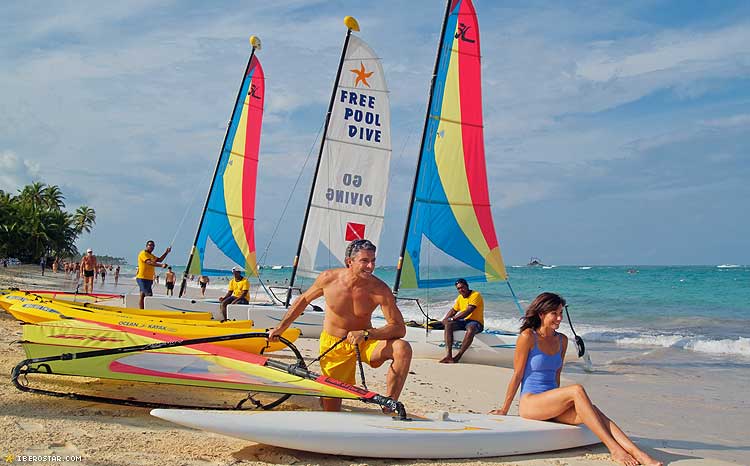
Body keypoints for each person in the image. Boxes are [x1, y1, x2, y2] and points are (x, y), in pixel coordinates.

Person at [491, 292, 661, 466]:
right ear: (541, 314)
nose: (559, 318)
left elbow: (556, 375)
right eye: (554, 314)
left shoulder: (562, 340)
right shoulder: (528, 337)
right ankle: (614, 449)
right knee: (576, 389)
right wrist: (504, 409)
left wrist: (559, 404)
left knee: (594, 411)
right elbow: (517, 374)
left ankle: (639, 454)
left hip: (551, 403)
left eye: (561, 313)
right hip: (531, 403)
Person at [268, 239, 412, 412]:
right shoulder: (329, 279)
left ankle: (389, 405)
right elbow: (304, 299)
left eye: (373, 261)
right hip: (334, 345)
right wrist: (281, 328)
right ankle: (324, 399)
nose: (371, 266)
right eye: (365, 261)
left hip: (364, 342)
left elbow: (399, 328)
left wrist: (366, 334)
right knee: (331, 408)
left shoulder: (380, 289)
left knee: (402, 348)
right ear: (349, 262)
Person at [439, 278, 484, 363]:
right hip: (464, 321)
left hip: (476, 322)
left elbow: (468, 311)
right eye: (458, 288)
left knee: (471, 329)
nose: (461, 290)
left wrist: (452, 318)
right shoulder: (460, 297)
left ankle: (458, 356)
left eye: (462, 287)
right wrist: (445, 320)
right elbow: (453, 310)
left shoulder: (475, 295)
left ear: (467, 286)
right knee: (448, 325)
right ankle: (449, 356)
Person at [135, 240, 171, 309]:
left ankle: (142, 310)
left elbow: (160, 260)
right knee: (148, 294)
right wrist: (161, 266)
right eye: (150, 245)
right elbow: (149, 262)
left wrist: (166, 252)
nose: (152, 247)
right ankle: (142, 311)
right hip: (142, 278)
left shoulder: (151, 255)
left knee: (143, 294)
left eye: (153, 246)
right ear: (146, 246)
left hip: (149, 278)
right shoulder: (143, 253)